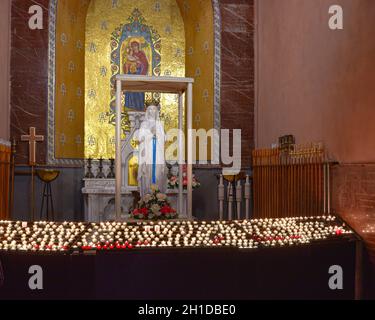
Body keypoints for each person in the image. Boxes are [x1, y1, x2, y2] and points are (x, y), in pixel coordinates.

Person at [136, 105, 166, 197]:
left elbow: (163, 138)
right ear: (147, 111)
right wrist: (150, 133)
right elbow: (140, 138)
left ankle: (157, 196)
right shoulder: (144, 124)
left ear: (156, 111)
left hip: (157, 151)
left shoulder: (159, 124)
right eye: (150, 109)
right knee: (147, 174)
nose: (152, 111)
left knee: (157, 174)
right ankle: (147, 196)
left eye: (154, 109)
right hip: (147, 151)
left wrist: (158, 135)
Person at [124, 41, 149, 111]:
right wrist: (127, 66)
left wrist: (138, 62)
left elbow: (145, 64)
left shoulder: (141, 54)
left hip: (139, 74)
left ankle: (140, 107)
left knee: (139, 91)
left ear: (138, 46)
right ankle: (130, 107)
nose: (134, 47)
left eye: (135, 46)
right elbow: (127, 64)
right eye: (133, 46)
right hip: (131, 75)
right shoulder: (131, 54)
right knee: (131, 91)